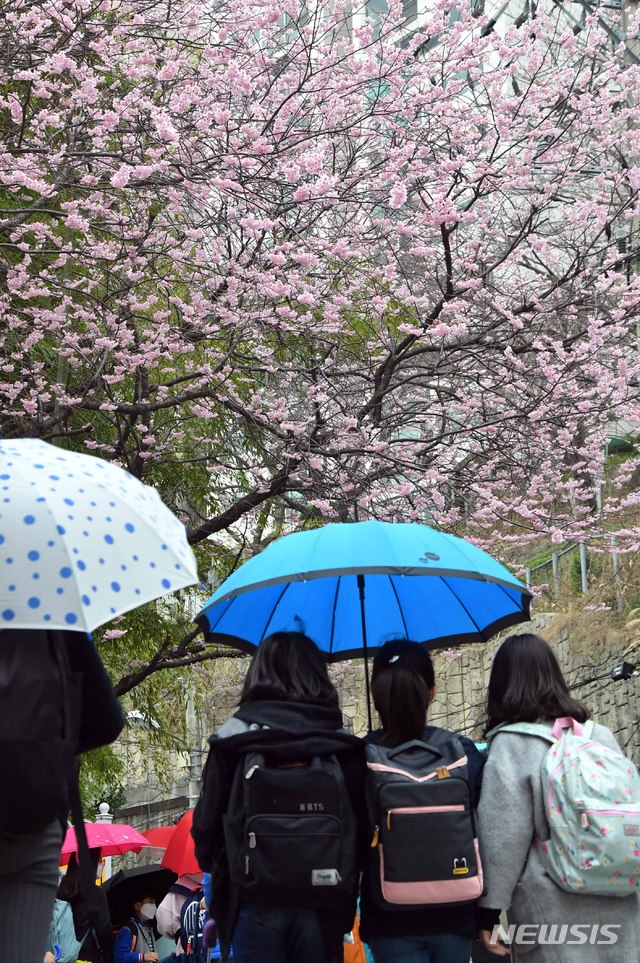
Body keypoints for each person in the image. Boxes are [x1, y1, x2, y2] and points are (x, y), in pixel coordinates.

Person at [191, 631, 366, 963]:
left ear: (257, 675)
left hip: (253, 899)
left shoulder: (232, 740)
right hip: (326, 904)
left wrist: (222, 869)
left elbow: (206, 827)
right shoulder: (342, 744)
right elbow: (362, 826)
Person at [477, 632, 640, 961]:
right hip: (619, 898)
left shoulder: (512, 744)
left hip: (553, 910)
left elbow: (503, 839)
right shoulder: (599, 736)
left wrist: (489, 911)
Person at [359, 638, 485, 963]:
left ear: (375, 696)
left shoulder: (359, 759)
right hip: (456, 913)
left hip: (390, 917)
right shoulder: (462, 752)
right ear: (431, 691)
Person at [56, 848, 113, 963]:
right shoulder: (95, 894)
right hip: (87, 957)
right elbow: (104, 933)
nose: (101, 865)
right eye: (99, 860)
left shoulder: (60, 891)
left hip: (60, 956)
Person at [114, 892, 173, 963]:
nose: (154, 906)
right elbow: (119, 957)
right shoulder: (127, 930)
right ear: (137, 906)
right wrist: (142, 957)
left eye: (154, 903)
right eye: (150, 902)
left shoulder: (148, 928)